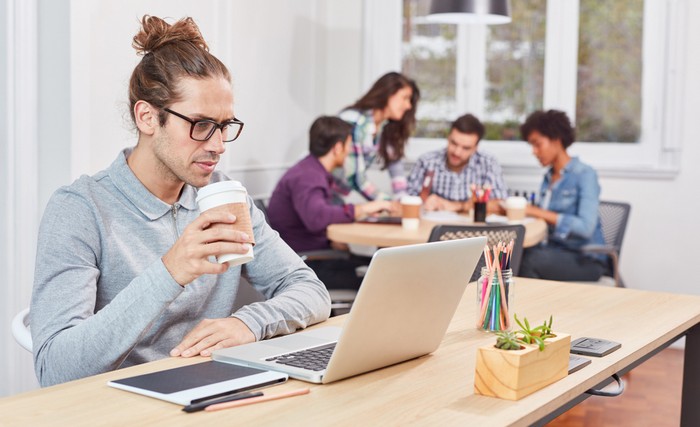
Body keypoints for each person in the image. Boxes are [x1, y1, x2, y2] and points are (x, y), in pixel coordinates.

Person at [29, 15, 330, 387]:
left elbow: (310, 290)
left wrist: (247, 323)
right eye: (201, 125)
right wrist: (170, 270)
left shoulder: (224, 196)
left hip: (214, 388)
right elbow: (55, 368)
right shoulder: (80, 209)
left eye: (224, 126)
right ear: (147, 117)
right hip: (121, 402)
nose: (218, 146)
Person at [267, 116, 394, 290]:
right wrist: (363, 209)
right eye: (349, 145)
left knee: (382, 265)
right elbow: (317, 218)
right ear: (338, 147)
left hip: (313, 256)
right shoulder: (308, 176)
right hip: (306, 265)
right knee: (386, 277)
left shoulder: (310, 170)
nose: (350, 151)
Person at [517, 109, 606, 281]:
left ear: (556, 140)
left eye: (537, 144)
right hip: (554, 251)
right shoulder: (548, 177)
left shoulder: (585, 175)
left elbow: (586, 227)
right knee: (512, 254)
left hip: (585, 259)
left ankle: (528, 308)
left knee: (529, 261)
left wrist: (535, 212)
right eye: (531, 146)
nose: (534, 151)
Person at [338, 72, 420, 201]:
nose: (408, 105)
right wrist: (389, 204)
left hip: (335, 193)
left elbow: (395, 166)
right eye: (404, 98)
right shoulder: (354, 121)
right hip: (317, 188)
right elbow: (356, 177)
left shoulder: (383, 127)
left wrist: (403, 199)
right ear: (388, 94)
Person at [406, 113, 508, 213]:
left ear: (475, 148)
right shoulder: (427, 162)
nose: (457, 152)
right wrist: (424, 203)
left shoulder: (488, 164)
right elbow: (405, 200)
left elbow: (501, 204)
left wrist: (458, 206)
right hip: (432, 227)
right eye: (454, 143)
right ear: (448, 137)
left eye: (466, 148)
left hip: (473, 228)